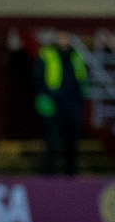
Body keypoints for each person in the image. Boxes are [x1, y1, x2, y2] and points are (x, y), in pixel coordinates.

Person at [35, 29, 89, 175]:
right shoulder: (48, 54)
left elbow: (82, 81)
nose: (64, 40)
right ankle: (49, 175)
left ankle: (70, 175)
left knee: (72, 143)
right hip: (54, 105)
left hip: (71, 106)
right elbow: (39, 78)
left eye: (66, 37)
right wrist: (43, 98)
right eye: (61, 37)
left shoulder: (76, 56)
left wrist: (79, 103)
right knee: (51, 141)